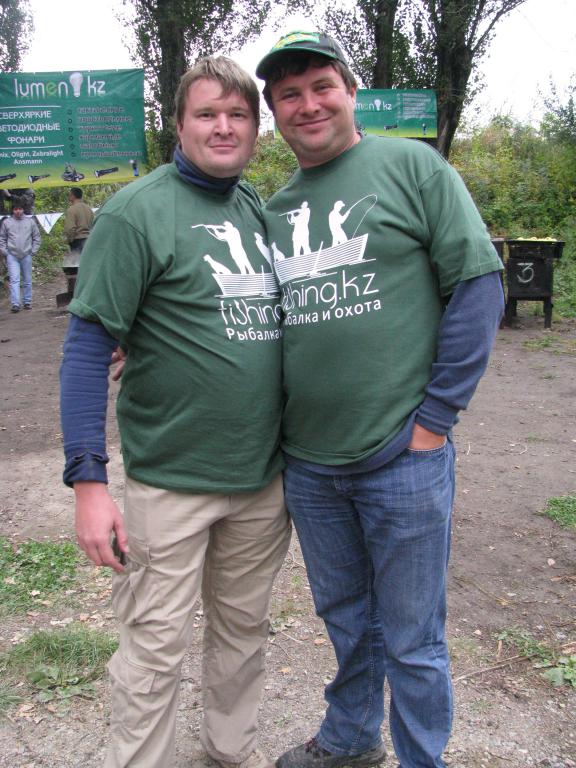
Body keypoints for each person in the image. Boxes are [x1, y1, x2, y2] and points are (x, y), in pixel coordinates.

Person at [256, 31, 505, 768]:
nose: (308, 105)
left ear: (351, 92)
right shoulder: (274, 210)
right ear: (275, 112)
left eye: (321, 86)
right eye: (289, 95)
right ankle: (352, 737)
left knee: (413, 635)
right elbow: (240, 320)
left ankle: (422, 758)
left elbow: (478, 285)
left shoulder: (412, 167)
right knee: (345, 619)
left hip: (403, 455)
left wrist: (436, 420)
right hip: (310, 464)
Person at [60, 56, 290, 768]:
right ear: (178, 124)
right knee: (155, 647)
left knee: (243, 633)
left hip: (260, 478)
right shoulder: (135, 212)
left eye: (238, 114)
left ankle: (231, 750)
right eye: (206, 113)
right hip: (170, 480)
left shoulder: (254, 208)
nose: (223, 127)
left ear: (255, 129)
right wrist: (89, 483)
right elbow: (86, 348)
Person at [0, 199, 41, 312]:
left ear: (23, 210)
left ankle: (27, 302)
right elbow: (2, 238)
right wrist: (5, 252)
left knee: (27, 279)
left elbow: (37, 237)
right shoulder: (7, 222)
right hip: (12, 255)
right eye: (15, 209)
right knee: (14, 280)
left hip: (27, 254)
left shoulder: (30, 222)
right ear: (12, 210)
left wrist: (33, 251)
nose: (18, 211)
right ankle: (15, 304)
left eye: (20, 209)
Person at [63, 187, 94, 253]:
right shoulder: (89, 209)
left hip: (77, 241)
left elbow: (70, 228)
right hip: (89, 240)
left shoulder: (71, 210)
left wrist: (70, 240)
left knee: (77, 259)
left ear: (72, 196)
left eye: (69, 195)